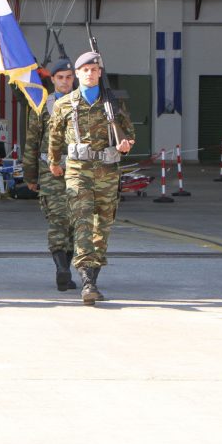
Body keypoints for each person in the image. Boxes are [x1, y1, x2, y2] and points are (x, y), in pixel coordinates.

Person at [47, 51, 135, 304]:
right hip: (78, 171)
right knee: (82, 222)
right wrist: (54, 162)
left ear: (100, 73)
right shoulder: (65, 104)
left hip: (107, 171)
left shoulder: (114, 103)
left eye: (94, 70)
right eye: (85, 70)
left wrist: (126, 144)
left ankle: (93, 274)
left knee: (102, 227)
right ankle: (87, 280)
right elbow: (54, 137)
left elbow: (129, 133)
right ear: (77, 74)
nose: (90, 74)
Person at [23, 58, 77, 291]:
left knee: (76, 221)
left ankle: (65, 267)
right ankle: (62, 269)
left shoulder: (82, 103)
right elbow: (32, 141)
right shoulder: (43, 105)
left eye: (69, 77)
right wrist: (30, 175)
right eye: (60, 78)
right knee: (57, 219)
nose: (65, 82)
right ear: (52, 80)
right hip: (50, 171)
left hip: (78, 171)